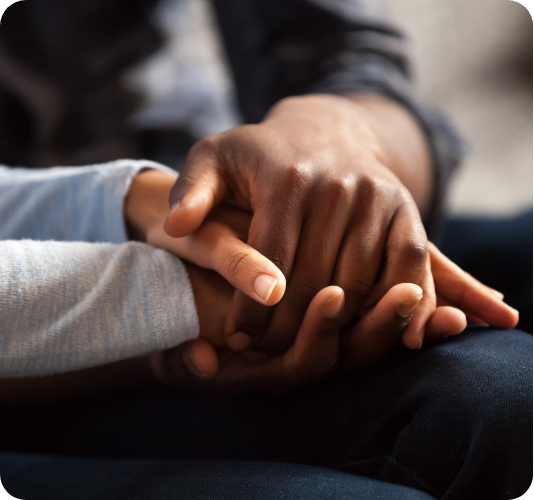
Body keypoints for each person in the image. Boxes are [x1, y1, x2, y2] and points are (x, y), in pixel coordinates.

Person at [0, 1, 532, 499]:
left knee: (514, 392)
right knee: (492, 400)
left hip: (219, 225)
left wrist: (339, 137)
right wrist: (175, 303)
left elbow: (347, 55)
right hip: (51, 339)